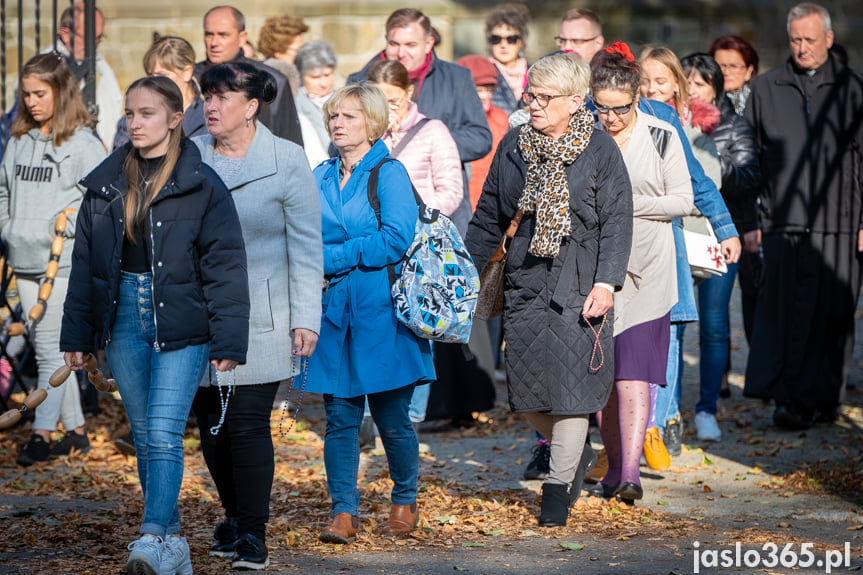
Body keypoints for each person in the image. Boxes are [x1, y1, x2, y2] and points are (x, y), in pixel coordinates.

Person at [60, 75, 249, 575]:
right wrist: (77, 336)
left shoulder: (200, 183)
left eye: (146, 113)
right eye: (130, 112)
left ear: (173, 117)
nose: (134, 122)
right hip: (122, 316)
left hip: (182, 321)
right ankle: (170, 540)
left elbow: (225, 264)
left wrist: (229, 336)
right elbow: (86, 266)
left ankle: (150, 536)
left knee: (164, 431)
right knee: (145, 435)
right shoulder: (106, 183)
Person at [466, 52, 633, 526]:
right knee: (528, 393)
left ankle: (555, 494)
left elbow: (618, 222)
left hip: (580, 281)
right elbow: (488, 217)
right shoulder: (515, 145)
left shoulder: (600, 149)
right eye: (530, 94)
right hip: (525, 279)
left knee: (573, 391)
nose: (534, 104)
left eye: (544, 97)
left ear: (574, 100)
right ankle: (575, 449)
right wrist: (461, 272)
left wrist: (606, 282)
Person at [191, 62, 322, 570]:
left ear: (251, 107)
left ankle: (252, 532)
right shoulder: (190, 154)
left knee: (246, 425)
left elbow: (307, 247)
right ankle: (233, 512)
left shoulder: (287, 159)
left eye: (224, 97)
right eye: (207, 95)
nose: (212, 105)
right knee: (210, 429)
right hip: (199, 315)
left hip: (264, 315)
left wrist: (306, 318)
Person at [305, 83, 434, 544]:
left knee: (391, 418)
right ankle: (344, 511)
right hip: (332, 313)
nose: (339, 124)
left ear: (374, 123)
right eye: (335, 116)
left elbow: (396, 239)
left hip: (381, 312)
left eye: (351, 117)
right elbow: (301, 238)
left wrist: (331, 256)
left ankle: (405, 500)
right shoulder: (319, 174)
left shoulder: (390, 172)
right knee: (339, 419)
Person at [744, 2, 863, 429]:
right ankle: (788, 401)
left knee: (834, 314)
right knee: (785, 315)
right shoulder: (767, 88)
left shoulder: (855, 90)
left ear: (828, 39)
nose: (802, 47)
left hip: (840, 224)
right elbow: (748, 160)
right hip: (783, 222)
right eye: (795, 39)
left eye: (810, 39)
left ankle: (826, 398)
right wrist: (749, 222)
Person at [588, 44, 693, 504]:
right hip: (595, 271)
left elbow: (682, 200)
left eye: (621, 109)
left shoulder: (663, 134)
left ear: (636, 98)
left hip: (650, 269)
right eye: (601, 108)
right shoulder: (583, 135)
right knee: (602, 374)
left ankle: (630, 474)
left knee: (633, 373)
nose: (610, 118)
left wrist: (628, 207)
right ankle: (612, 471)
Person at [1, 53, 105, 466]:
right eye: (26, 94)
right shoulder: (19, 138)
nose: (31, 102)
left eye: (40, 93)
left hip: (59, 267)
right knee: (49, 348)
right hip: (23, 261)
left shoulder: (83, 144)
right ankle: (76, 433)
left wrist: (63, 226)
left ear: (61, 93)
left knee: (48, 351)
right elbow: (4, 189)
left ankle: (41, 435)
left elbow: (100, 203)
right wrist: (8, 228)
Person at [346, 7, 492, 232]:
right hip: (373, 219)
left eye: (410, 45)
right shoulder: (359, 81)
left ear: (429, 43)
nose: (401, 53)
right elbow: (338, 145)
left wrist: (433, 142)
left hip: (439, 216)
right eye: (394, 44)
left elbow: (481, 137)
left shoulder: (456, 78)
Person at [681, 53, 760, 441]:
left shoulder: (732, 125)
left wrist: (707, 166)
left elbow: (749, 177)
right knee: (675, 323)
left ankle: (707, 408)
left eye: (701, 84)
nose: (693, 90)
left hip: (718, 233)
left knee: (713, 325)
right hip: (678, 231)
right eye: (688, 82)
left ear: (716, 88)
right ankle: (667, 408)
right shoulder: (666, 122)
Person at [708, 35, 762, 347]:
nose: (726, 71)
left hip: (751, 213)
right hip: (717, 212)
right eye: (720, 64)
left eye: (734, 65)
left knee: (754, 291)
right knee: (715, 306)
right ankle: (722, 374)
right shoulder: (702, 107)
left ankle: (757, 368)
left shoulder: (760, 102)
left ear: (750, 69)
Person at [194, 5, 303, 147]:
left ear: (242, 37)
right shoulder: (190, 79)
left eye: (223, 35)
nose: (214, 43)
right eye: (209, 34)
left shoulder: (271, 79)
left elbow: (291, 143)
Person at [113, 35, 206, 150]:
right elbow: (119, 164)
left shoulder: (209, 119)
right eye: (151, 76)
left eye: (162, 76)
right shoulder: (132, 122)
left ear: (187, 73)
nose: (154, 83)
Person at [54, 3, 123, 149]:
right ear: (66, 34)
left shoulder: (101, 64)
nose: (95, 45)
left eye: (99, 38)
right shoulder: (47, 67)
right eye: (89, 38)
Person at [456, 55, 510, 212]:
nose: (486, 96)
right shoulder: (454, 122)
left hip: (494, 207)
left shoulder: (502, 118)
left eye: (489, 89)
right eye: (479, 90)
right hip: (464, 207)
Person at [294, 41, 336, 168]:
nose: (323, 83)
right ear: (301, 76)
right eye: (315, 77)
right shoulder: (295, 103)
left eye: (327, 75)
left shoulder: (343, 99)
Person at [485, 3, 530, 114]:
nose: (503, 45)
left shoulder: (535, 73)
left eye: (511, 39)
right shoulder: (483, 75)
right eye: (496, 39)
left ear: (521, 42)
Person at [708, 35, 759, 116]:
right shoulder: (701, 102)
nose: (726, 72)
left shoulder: (759, 105)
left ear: (749, 71)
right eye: (721, 66)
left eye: (734, 66)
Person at [257, 14, 308, 95]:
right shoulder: (266, 81)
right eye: (298, 50)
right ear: (278, 50)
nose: (303, 54)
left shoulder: (302, 75)